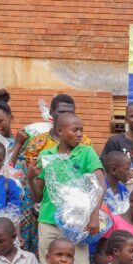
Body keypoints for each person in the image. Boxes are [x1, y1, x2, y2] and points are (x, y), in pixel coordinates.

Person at [28, 112, 105, 264]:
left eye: (81, 130)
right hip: (48, 220)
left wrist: (94, 215)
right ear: (60, 131)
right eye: (75, 129)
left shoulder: (86, 152)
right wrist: (30, 178)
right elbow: (38, 196)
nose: (80, 134)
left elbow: (100, 185)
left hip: (77, 224)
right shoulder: (46, 155)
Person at [19, 94, 88, 255]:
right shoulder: (37, 142)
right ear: (51, 112)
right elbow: (33, 175)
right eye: (61, 112)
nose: (65, 116)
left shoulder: (84, 144)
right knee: (45, 252)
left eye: (70, 112)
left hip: (74, 213)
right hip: (45, 207)